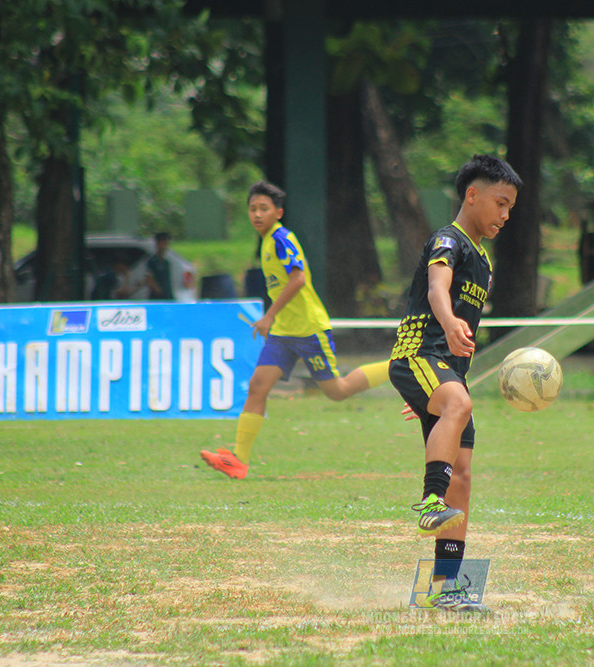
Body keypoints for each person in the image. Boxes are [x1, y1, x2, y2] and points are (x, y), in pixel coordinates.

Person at [388, 154, 522, 611]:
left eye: (510, 208)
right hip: (417, 353)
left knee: (462, 479)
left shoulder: (483, 261)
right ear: (472, 195)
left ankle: (445, 589)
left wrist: (435, 395)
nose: (505, 215)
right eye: (500, 203)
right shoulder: (450, 240)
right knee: (458, 409)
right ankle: (429, 502)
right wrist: (446, 325)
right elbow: (436, 289)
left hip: (441, 373)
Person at [200, 180, 389, 479]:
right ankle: (238, 460)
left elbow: (298, 279)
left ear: (278, 212)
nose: (257, 214)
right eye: (252, 209)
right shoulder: (264, 242)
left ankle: (398, 366)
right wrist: (275, 321)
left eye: (264, 208)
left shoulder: (280, 238)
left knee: (337, 391)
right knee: (257, 386)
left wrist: (268, 317)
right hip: (284, 333)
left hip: (308, 328)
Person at [145, 232, 175, 300]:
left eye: (167, 243)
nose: (165, 246)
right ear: (158, 244)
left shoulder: (166, 262)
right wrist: (157, 289)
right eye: (163, 243)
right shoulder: (152, 261)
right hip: (157, 296)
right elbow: (148, 277)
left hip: (167, 295)